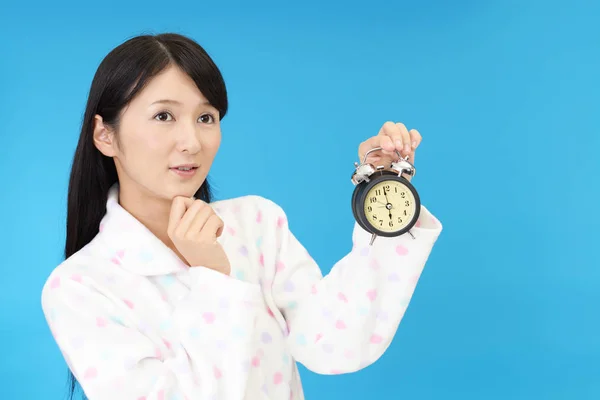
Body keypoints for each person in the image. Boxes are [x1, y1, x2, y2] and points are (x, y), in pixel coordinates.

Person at [41, 32, 443, 400]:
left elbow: (333, 345)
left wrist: (385, 192)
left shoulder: (256, 225)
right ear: (104, 135)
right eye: (164, 116)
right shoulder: (80, 287)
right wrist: (214, 279)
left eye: (206, 118)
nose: (192, 142)